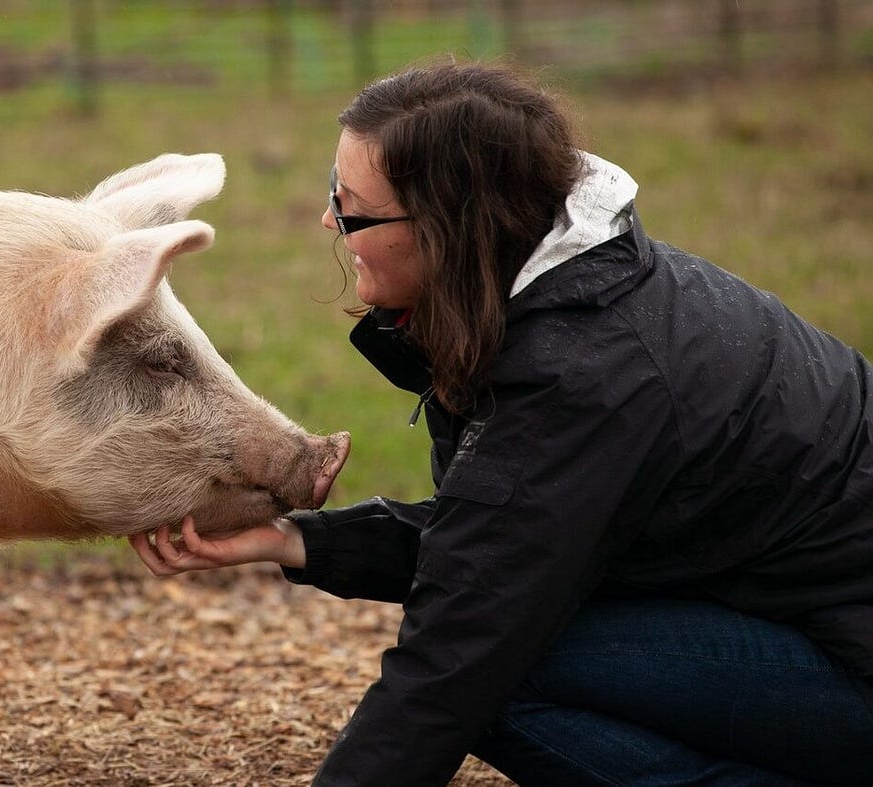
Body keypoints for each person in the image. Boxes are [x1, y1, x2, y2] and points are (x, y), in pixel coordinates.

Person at [129, 59, 873, 787]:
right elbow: (512, 533)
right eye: (333, 189)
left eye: (352, 204)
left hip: (850, 659)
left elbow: (466, 641)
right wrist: (294, 542)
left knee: (506, 671)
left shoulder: (581, 371)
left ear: (447, 228)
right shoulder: (570, 288)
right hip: (798, 608)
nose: (330, 218)